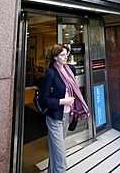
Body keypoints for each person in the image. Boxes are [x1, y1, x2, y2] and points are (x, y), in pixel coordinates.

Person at [39, 44, 90, 173]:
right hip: (54, 117)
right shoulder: (51, 73)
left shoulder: (70, 70)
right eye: (62, 55)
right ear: (55, 57)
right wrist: (63, 101)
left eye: (66, 54)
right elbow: (43, 99)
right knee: (60, 154)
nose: (65, 57)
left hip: (68, 115)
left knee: (56, 151)